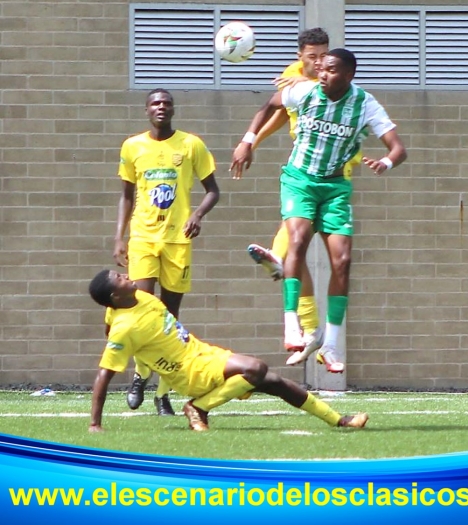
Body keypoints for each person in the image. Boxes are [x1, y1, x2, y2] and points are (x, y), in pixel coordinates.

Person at [231, 49, 407, 375]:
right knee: (297, 239)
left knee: (342, 261)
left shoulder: (365, 104)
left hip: (335, 188)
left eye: (331, 70)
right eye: (321, 69)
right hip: (299, 180)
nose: (323, 75)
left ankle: (330, 345)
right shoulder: (304, 91)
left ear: (349, 75)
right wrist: (247, 140)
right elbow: (271, 104)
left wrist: (385, 162)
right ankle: (291, 326)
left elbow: (398, 148)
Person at [87, 269, 369, 432]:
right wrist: (95, 424)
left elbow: (108, 323)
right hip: (189, 372)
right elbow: (105, 373)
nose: (125, 274)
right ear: (115, 296)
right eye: (118, 277)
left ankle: (339, 420)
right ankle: (198, 406)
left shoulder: (139, 299)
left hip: (203, 354)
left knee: (274, 381)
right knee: (256, 368)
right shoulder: (125, 327)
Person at [112, 88, 220, 416]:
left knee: (170, 317)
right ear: (147, 110)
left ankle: (163, 391)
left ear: (173, 110)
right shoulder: (133, 146)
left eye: (167, 103)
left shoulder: (191, 145)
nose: (162, 107)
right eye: (156, 103)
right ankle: (140, 375)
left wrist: (197, 214)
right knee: (144, 311)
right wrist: (119, 237)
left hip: (177, 242)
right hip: (143, 238)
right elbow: (127, 196)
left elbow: (213, 190)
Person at [245, 28, 335, 368]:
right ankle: (312, 329)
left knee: (297, 245)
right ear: (300, 56)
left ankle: (277, 258)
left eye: (323, 55)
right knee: (297, 246)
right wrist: (252, 142)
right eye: (312, 56)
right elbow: (281, 112)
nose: (318, 62)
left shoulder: (330, 79)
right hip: (304, 167)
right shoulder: (291, 78)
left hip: (333, 170)